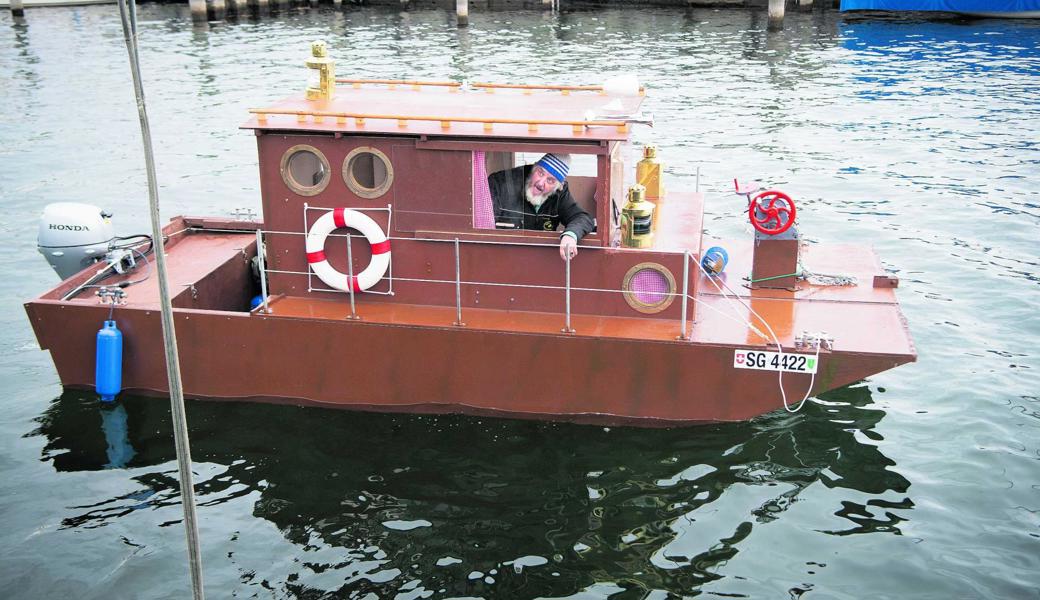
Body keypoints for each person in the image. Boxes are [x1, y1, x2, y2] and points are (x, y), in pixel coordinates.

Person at [487, 153, 594, 261]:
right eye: (540, 173)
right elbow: (483, 225)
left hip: (541, 262)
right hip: (502, 259)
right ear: (534, 167)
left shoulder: (559, 194)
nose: (540, 183)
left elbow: (582, 217)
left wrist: (570, 235)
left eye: (550, 180)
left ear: (558, 187)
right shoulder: (499, 183)